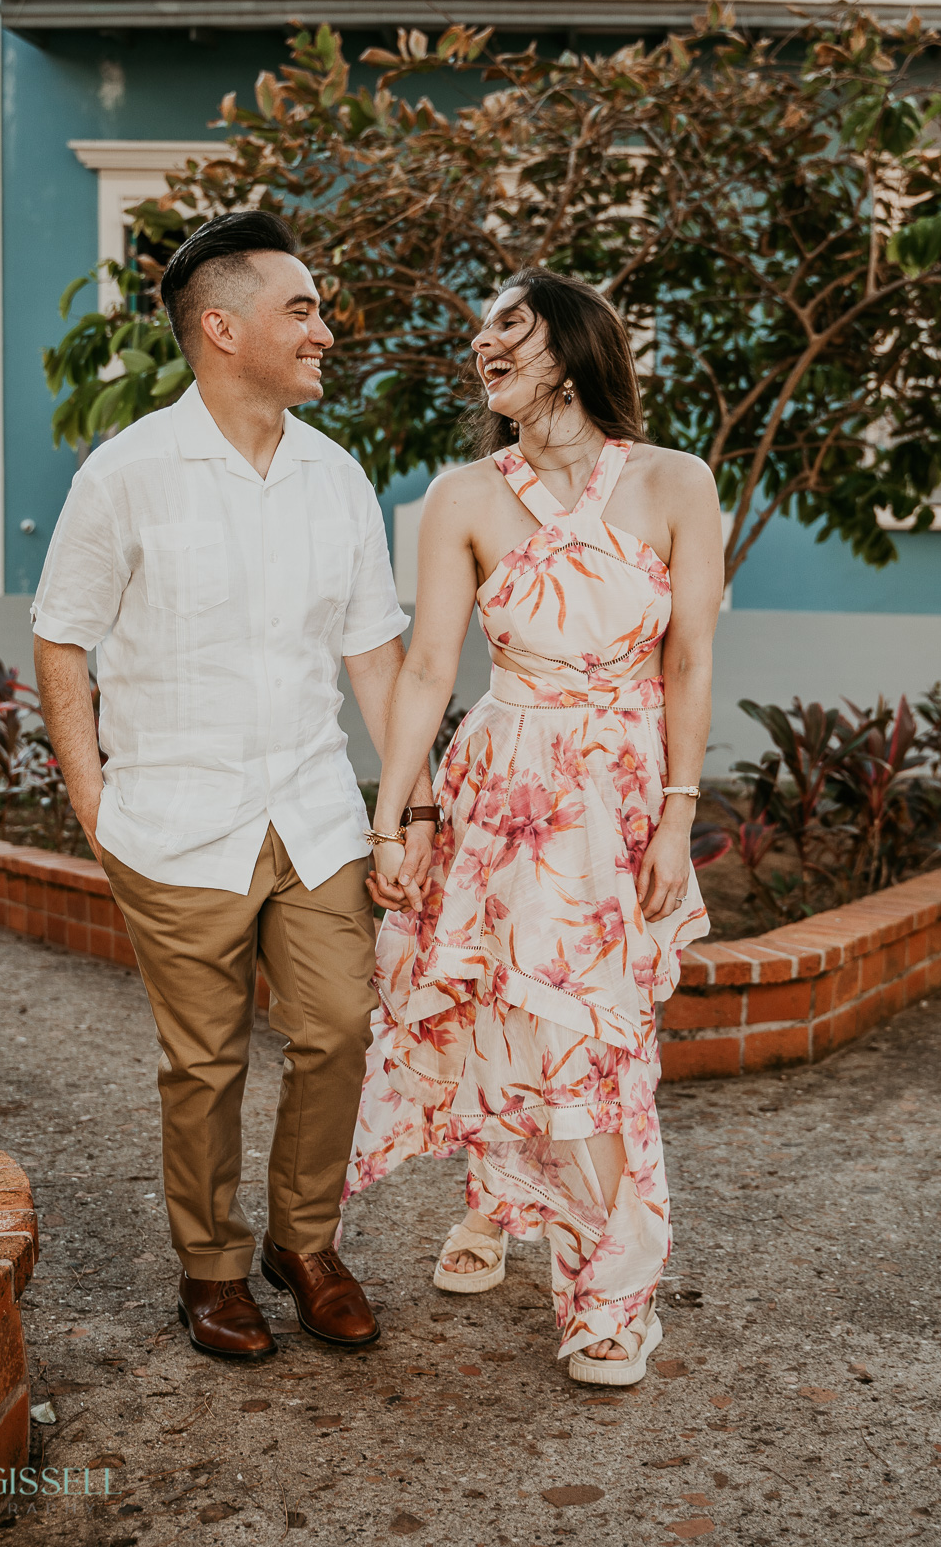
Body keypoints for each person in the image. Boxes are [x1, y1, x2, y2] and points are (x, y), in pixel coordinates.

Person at [32, 210, 436, 1361]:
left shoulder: (338, 476)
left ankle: (302, 1242)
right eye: (300, 308)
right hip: (172, 822)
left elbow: (373, 653)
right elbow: (63, 637)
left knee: (340, 1027)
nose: (323, 329)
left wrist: (407, 801)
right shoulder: (127, 476)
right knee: (202, 1063)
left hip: (312, 814)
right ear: (222, 327)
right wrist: (92, 796)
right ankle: (211, 1267)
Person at [345, 268, 723, 1384]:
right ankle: (502, 1199)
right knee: (507, 1012)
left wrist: (677, 816)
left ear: (572, 338)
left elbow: (690, 657)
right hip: (500, 792)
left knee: (595, 1041)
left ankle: (614, 1295)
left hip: (615, 799)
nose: (482, 344)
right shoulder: (462, 494)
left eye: (507, 322)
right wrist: (391, 818)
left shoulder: (675, 481)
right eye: (477, 333)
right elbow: (426, 667)